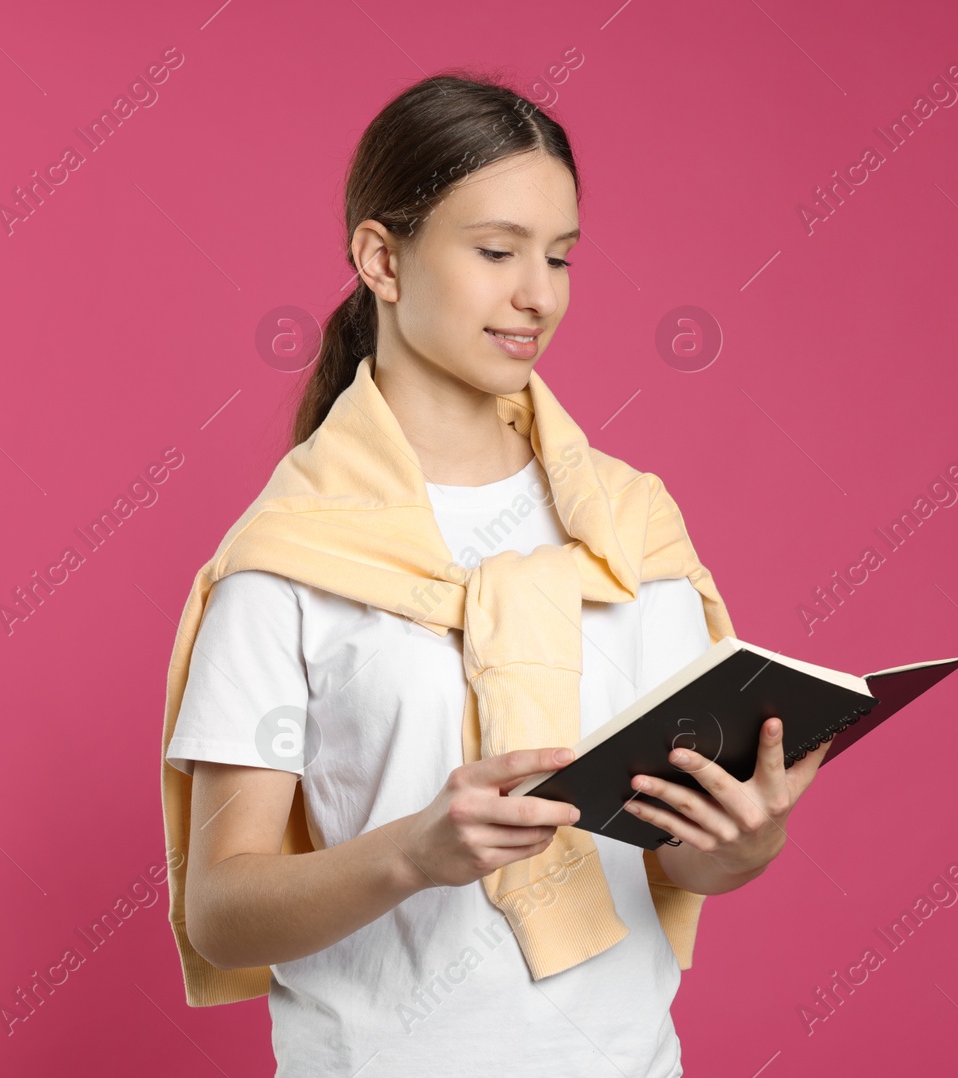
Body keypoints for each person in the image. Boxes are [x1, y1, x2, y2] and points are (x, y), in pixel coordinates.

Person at [161, 72, 831, 1077]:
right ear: (381, 259)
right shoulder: (292, 558)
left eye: (558, 257)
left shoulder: (629, 529)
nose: (538, 295)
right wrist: (412, 854)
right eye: (495, 251)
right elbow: (220, 911)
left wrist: (745, 841)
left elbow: (672, 854)